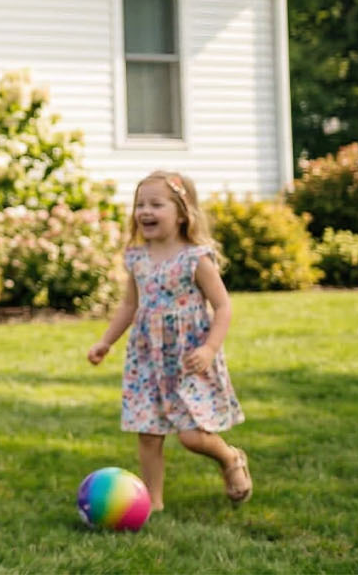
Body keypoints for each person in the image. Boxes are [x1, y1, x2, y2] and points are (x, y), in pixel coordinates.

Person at [88, 170, 253, 510]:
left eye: (156, 204)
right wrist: (106, 341)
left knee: (192, 436)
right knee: (148, 434)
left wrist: (209, 348)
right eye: (140, 204)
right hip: (147, 359)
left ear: (182, 213)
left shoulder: (196, 258)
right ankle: (153, 503)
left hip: (188, 358)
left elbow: (222, 306)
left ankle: (230, 459)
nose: (145, 211)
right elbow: (130, 305)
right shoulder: (136, 258)